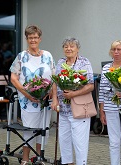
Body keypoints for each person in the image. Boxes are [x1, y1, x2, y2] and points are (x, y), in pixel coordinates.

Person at [9, 25, 55, 165]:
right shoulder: (21, 56)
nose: (33, 40)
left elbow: (54, 77)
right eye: (30, 37)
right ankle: (25, 159)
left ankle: (39, 158)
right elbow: (13, 78)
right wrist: (26, 93)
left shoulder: (47, 55)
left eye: (35, 37)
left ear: (40, 39)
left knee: (43, 129)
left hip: (45, 100)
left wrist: (52, 92)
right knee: (29, 129)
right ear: (26, 39)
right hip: (27, 100)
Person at [51, 37, 94, 165]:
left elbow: (90, 85)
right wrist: (54, 99)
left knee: (80, 143)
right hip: (63, 110)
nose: (68, 49)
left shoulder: (84, 62)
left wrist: (73, 94)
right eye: (66, 46)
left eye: (71, 46)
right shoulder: (60, 62)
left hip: (79, 109)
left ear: (77, 49)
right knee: (64, 141)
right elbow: (55, 82)